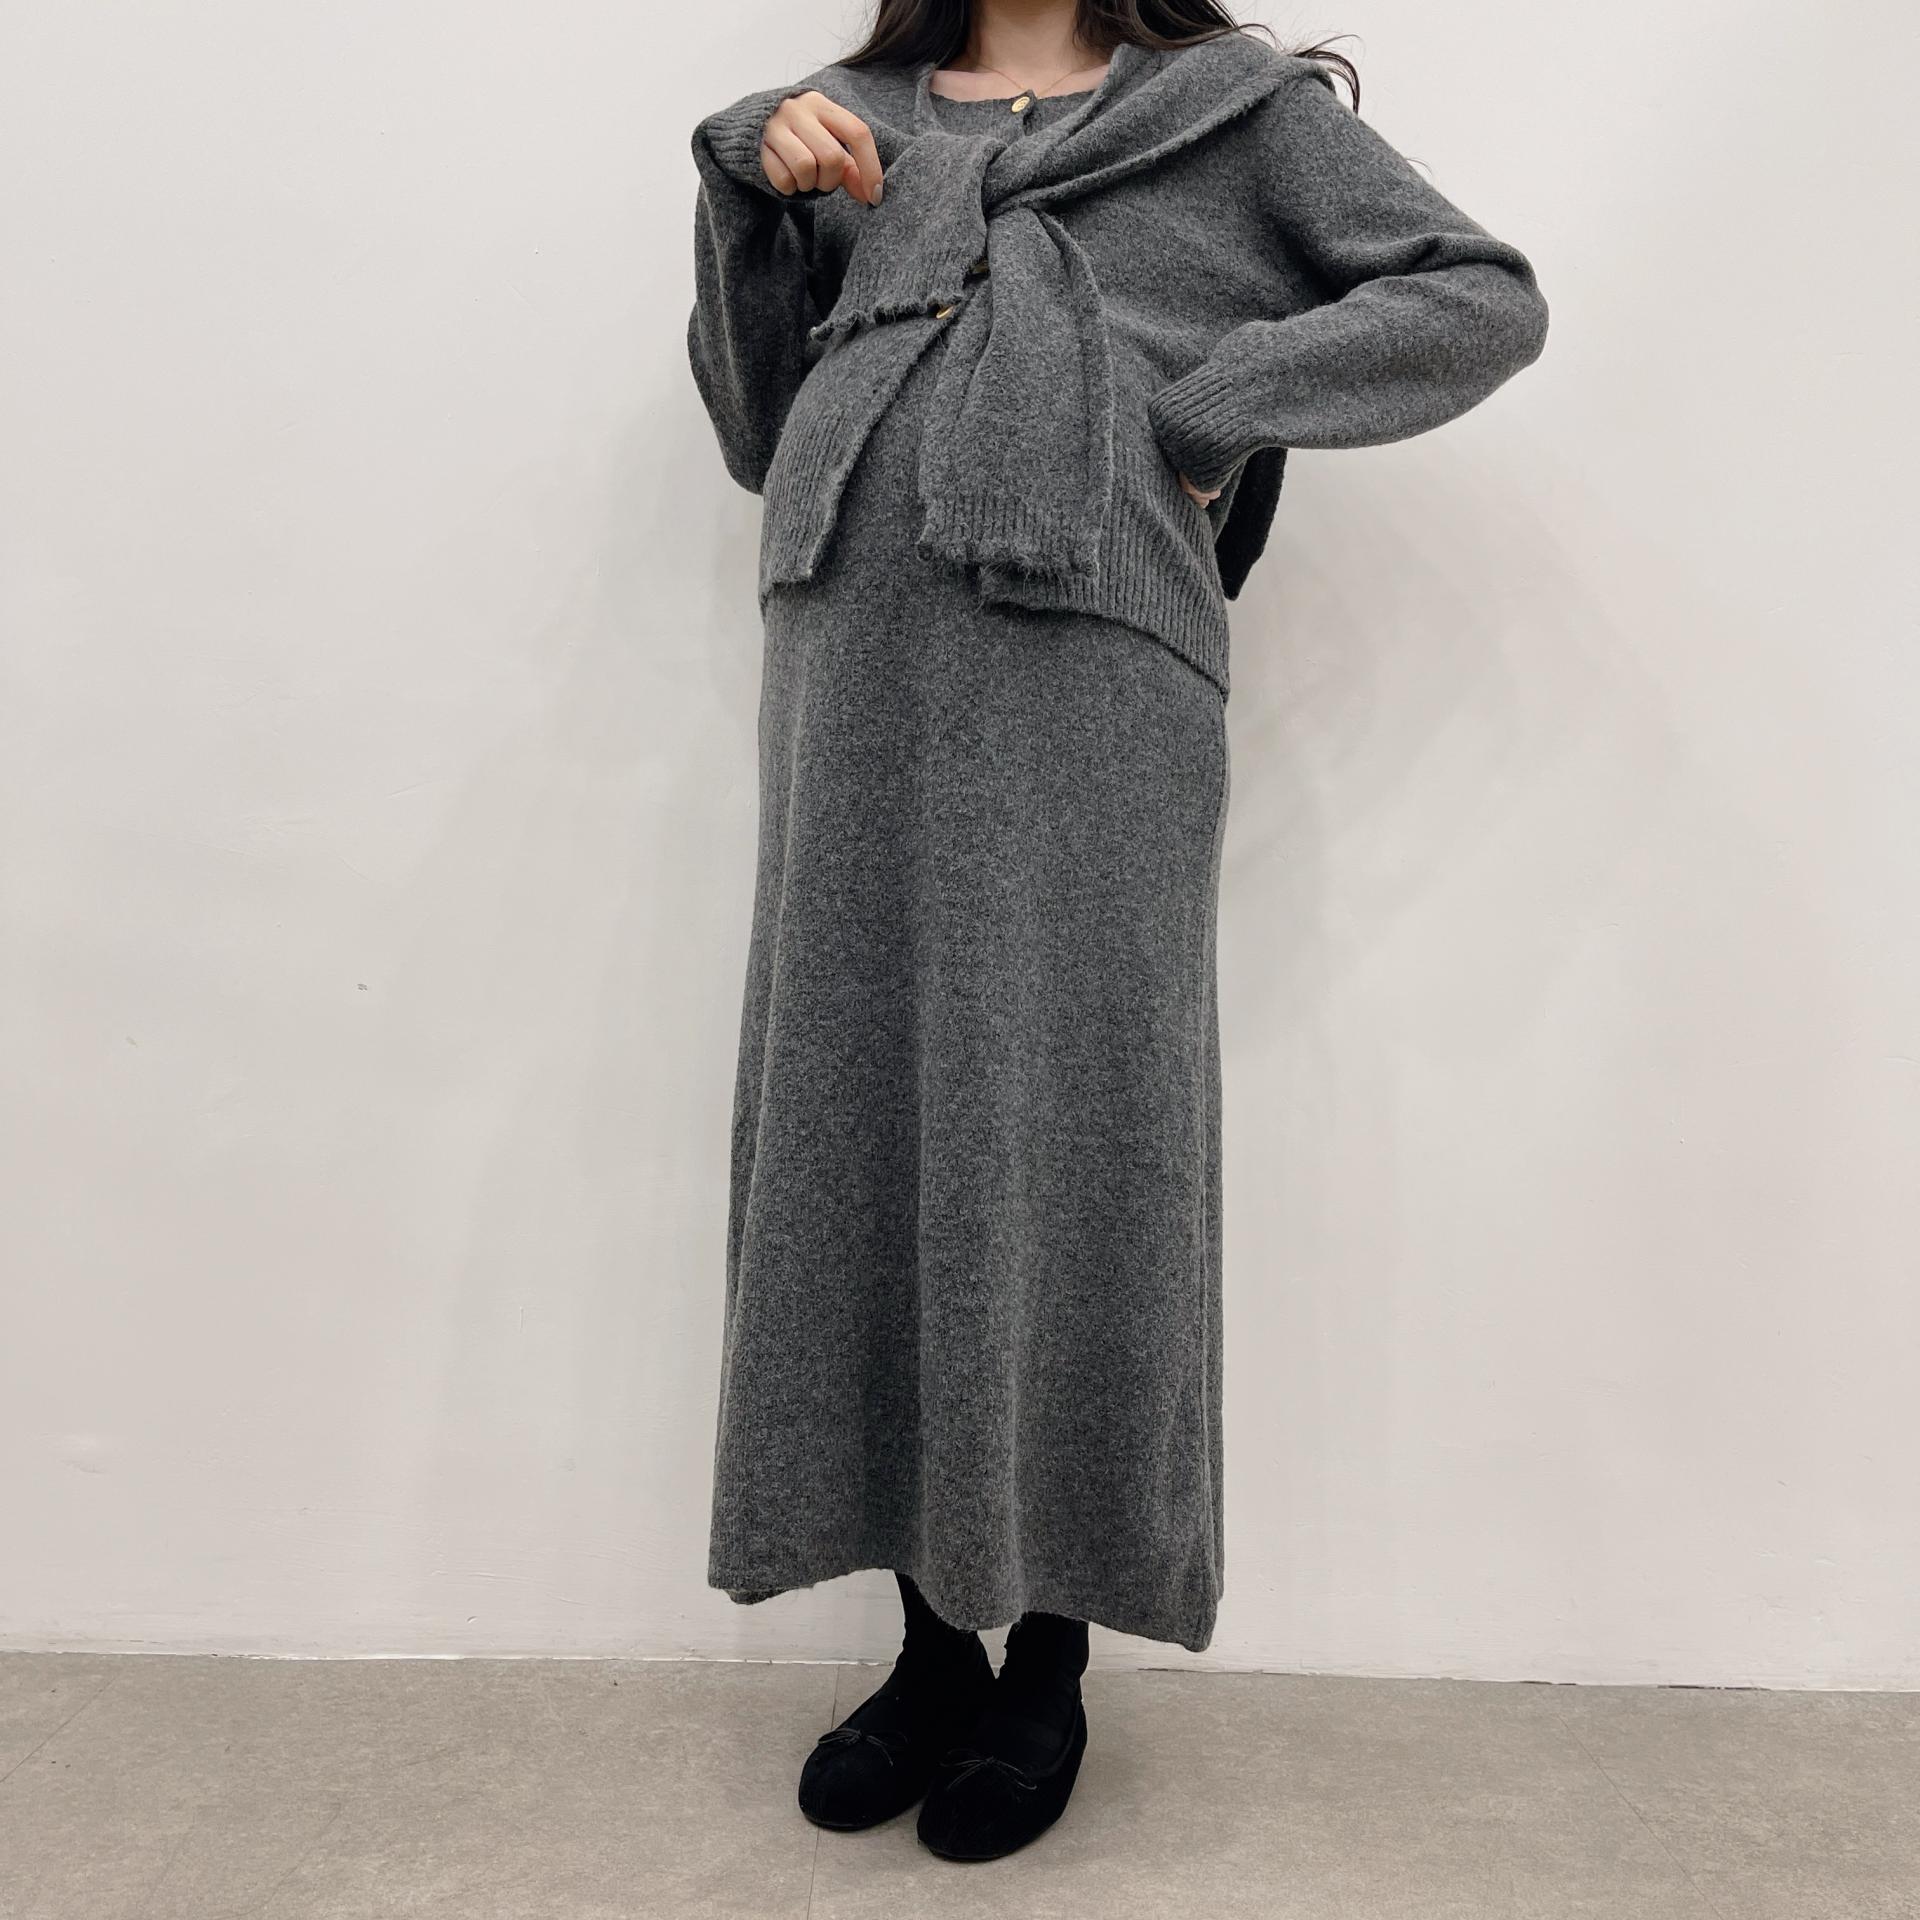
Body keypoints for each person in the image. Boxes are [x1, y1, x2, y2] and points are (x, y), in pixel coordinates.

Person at [686, 0, 1548, 1863]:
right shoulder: (843, 115)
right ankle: (931, 1647)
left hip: (1095, 666)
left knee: (1078, 1124)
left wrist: (1201, 405)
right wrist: (746, 192)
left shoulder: (1230, 114)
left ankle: (1050, 1655)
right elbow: (762, 429)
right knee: (865, 1127)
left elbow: (1478, 295)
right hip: (849, 667)